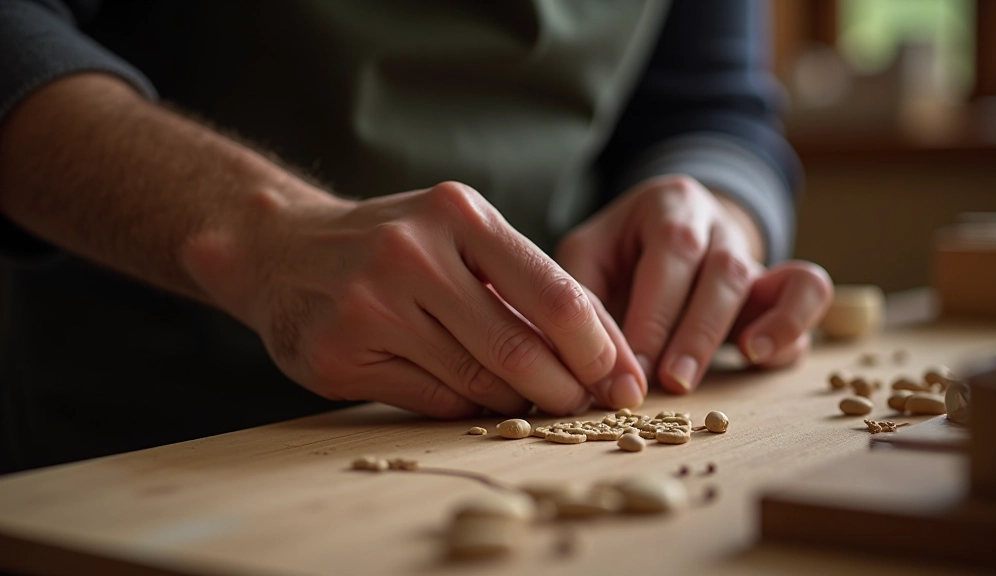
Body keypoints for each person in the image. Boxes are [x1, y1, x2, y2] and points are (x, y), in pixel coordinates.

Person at [0, 0, 833, 474]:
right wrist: (259, 238)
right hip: (157, 440)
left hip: (558, 434)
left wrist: (717, 208)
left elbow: (712, 105)